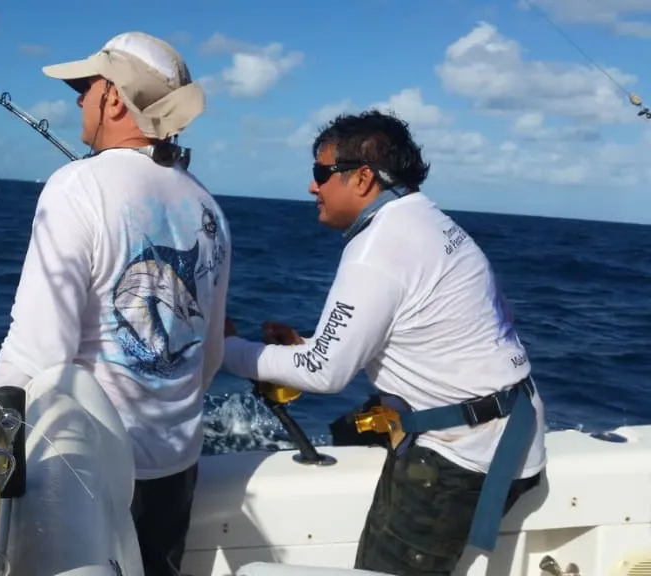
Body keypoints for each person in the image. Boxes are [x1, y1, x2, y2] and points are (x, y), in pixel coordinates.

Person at [221, 110, 546, 575]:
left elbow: (323, 373)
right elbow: (411, 330)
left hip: (462, 454)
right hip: (505, 429)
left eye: (320, 173)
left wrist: (225, 350)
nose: (313, 187)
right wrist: (304, 345)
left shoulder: (379, 247)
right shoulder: (426, 222)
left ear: (363, 178)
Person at [0, 31, 231, 576]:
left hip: (88, 478)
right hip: (177, 470)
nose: (78, 98)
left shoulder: (76, 185)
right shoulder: (209, 208)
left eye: (86, 86)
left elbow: (37, 355)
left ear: (115, 98)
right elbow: (208, 356)